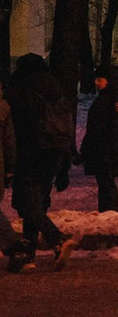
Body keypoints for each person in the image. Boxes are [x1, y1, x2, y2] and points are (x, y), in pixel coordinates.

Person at [5, 54, 74, 269]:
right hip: (54, 153)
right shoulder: (56, 89)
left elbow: (15, 130)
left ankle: (57, 238)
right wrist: (65, 163)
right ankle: (29, 254)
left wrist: (11, 162)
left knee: (27, 204)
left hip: (30, 153)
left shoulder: (20, 90)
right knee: (37, 203)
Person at [80, 65, 118, 214]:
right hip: (101, 147)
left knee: (106, 180)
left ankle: (110, 210)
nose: (96, 82)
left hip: (107, 148)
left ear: (109, 80)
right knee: (103, 180)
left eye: (100, 79)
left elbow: (116, 126)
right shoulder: (105, 97)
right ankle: (107, 209)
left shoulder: (115, 99)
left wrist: (107, 147)